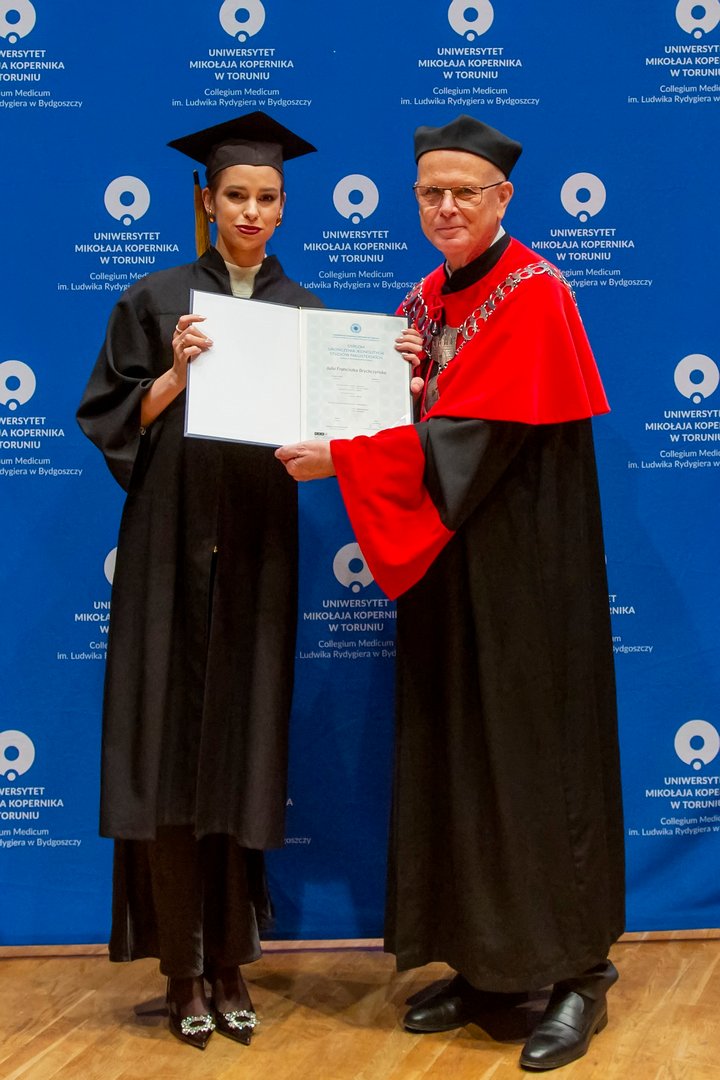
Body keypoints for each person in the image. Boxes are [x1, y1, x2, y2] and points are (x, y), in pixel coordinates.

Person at [275, 114, 625, 1072]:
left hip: (523, 579)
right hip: (450, 569)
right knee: (462, 760)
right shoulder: (426, 297)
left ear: (503, 197)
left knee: (533, 765)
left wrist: (346, 459)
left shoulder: (535, 293)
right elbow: (419, 410)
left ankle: (577, 973)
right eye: (431, 192)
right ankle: (488, 964)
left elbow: (473, 439)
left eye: (465, 191)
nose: (446, 207)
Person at [77, 112, 326, 1051]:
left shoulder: (304, 314)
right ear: (206, 202)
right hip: (168, 554)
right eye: (236, 196)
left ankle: (231, 960)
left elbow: (335, 435)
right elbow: (113, 421)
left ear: (283, 207)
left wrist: (391, 387)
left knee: (239, 751)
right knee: (167, 755)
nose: (251, 211)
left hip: (258, 552)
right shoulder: (155, 302)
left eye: (267, 197)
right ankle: (182, 969)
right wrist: (177, 373)